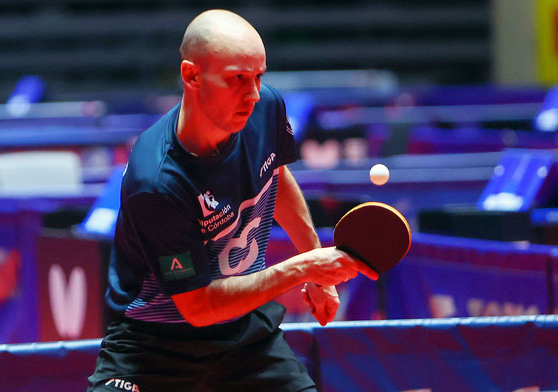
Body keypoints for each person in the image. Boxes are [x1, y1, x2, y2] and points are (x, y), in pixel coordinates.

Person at [87, 9, 377, 392]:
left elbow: (273, 172)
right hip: (154, 348)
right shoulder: (156, 180)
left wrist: (318, 270)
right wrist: (302, 268)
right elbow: (198, 306)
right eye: (237, 79)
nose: (252, 95)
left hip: (246, 338)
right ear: (191, 75)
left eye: (259, 77)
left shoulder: (265, 109)